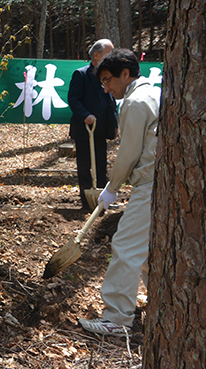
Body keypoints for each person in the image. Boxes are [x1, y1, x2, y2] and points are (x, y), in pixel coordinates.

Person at [79, 49, 160, 336]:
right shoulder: (155, 93)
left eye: (108, 80)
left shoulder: (136, 102)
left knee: (125, 246)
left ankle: (117, 317)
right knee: (152, 250)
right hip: (161, 184)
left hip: (150, 185)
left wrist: (111, 188)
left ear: (126, 74)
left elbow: (128, 154)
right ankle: (163, 305)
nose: (106, 87)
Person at [68, 39, 118, 210]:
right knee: (84, 166)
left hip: (101, 129)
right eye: (108, 54)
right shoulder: (81, 74)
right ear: (96, 55)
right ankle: (87, 202)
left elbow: (111, 100)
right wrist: (85, 116)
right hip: (85, 130)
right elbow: (73, 100)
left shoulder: (108, 75)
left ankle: (102, 201)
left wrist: (114, 124)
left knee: (101, 166)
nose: (111, 57)